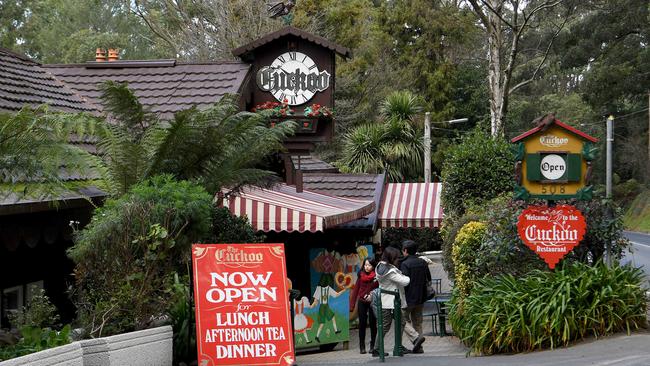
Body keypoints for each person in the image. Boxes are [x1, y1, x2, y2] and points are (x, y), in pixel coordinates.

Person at [374, 246, 424, 357]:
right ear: (391, 257)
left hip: (387, 301)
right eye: (396, 257)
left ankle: (413, 340)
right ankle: (377, 349)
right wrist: (407, 275)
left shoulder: (379, 266)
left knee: (401, 322)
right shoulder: (390, 271)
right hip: (391, 302)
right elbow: (405, 281)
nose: (398, 259)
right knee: (385, 326)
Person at [400, 240, 429, 353]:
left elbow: (404, 281)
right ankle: (419, 347)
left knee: (402, 320)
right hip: (421, 297)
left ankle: (415, 337)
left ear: (405, 251)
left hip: (408, 298)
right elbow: (429, 279)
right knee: (418, 322)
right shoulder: (422, 262)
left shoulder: (404, 264)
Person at [349, 257, 379, 354]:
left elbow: (379, 289)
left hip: (372, 302)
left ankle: (373, 345)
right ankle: (362, 346)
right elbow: (355, 291)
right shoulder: (360, 276)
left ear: (373, 266)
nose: (367, 267)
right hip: (362, 301)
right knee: (362, 324)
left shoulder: (376, 278)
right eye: (365, 265)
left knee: (373, 323)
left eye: (369, 265)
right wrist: (352, 305)